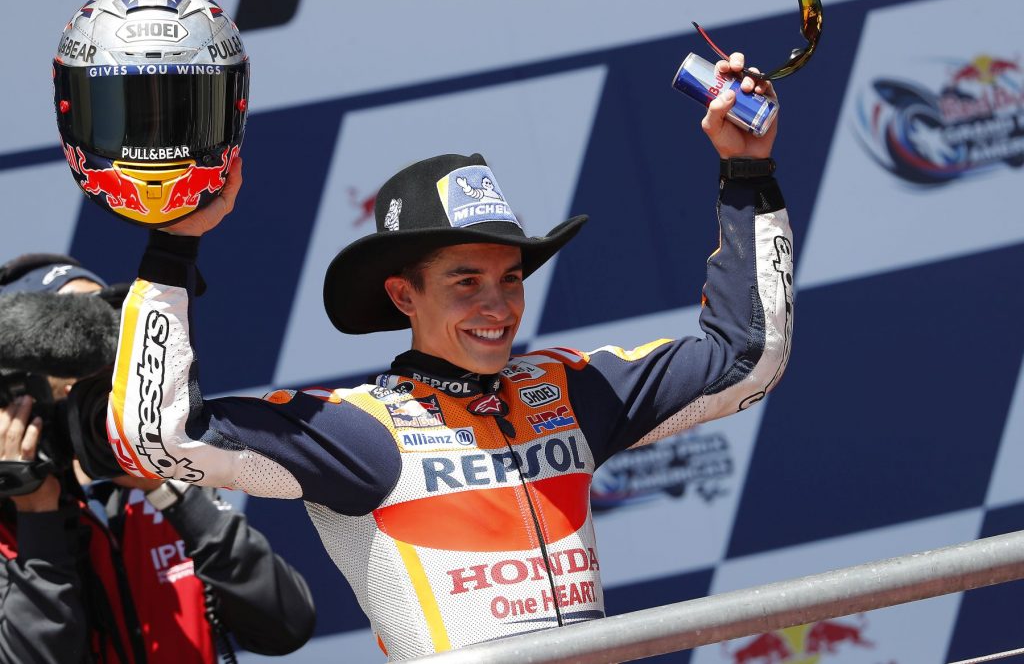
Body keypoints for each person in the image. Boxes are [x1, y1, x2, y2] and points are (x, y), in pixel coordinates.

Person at [105, 54, 794, 660]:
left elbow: (746, 360)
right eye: (466, 281)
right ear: (403, 294)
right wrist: (172, 248)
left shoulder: (571, 391)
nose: (498, 306)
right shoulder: (358, 433)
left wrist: (747, 172)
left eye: (511, 278)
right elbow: (160, 439)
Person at [0, 255, 316, 663]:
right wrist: (37, 517)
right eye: (72, 345)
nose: (101, 359)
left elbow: (286, 625)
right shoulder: (13, 520)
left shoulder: (162, 474)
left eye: (109, 337)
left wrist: (173, 493)